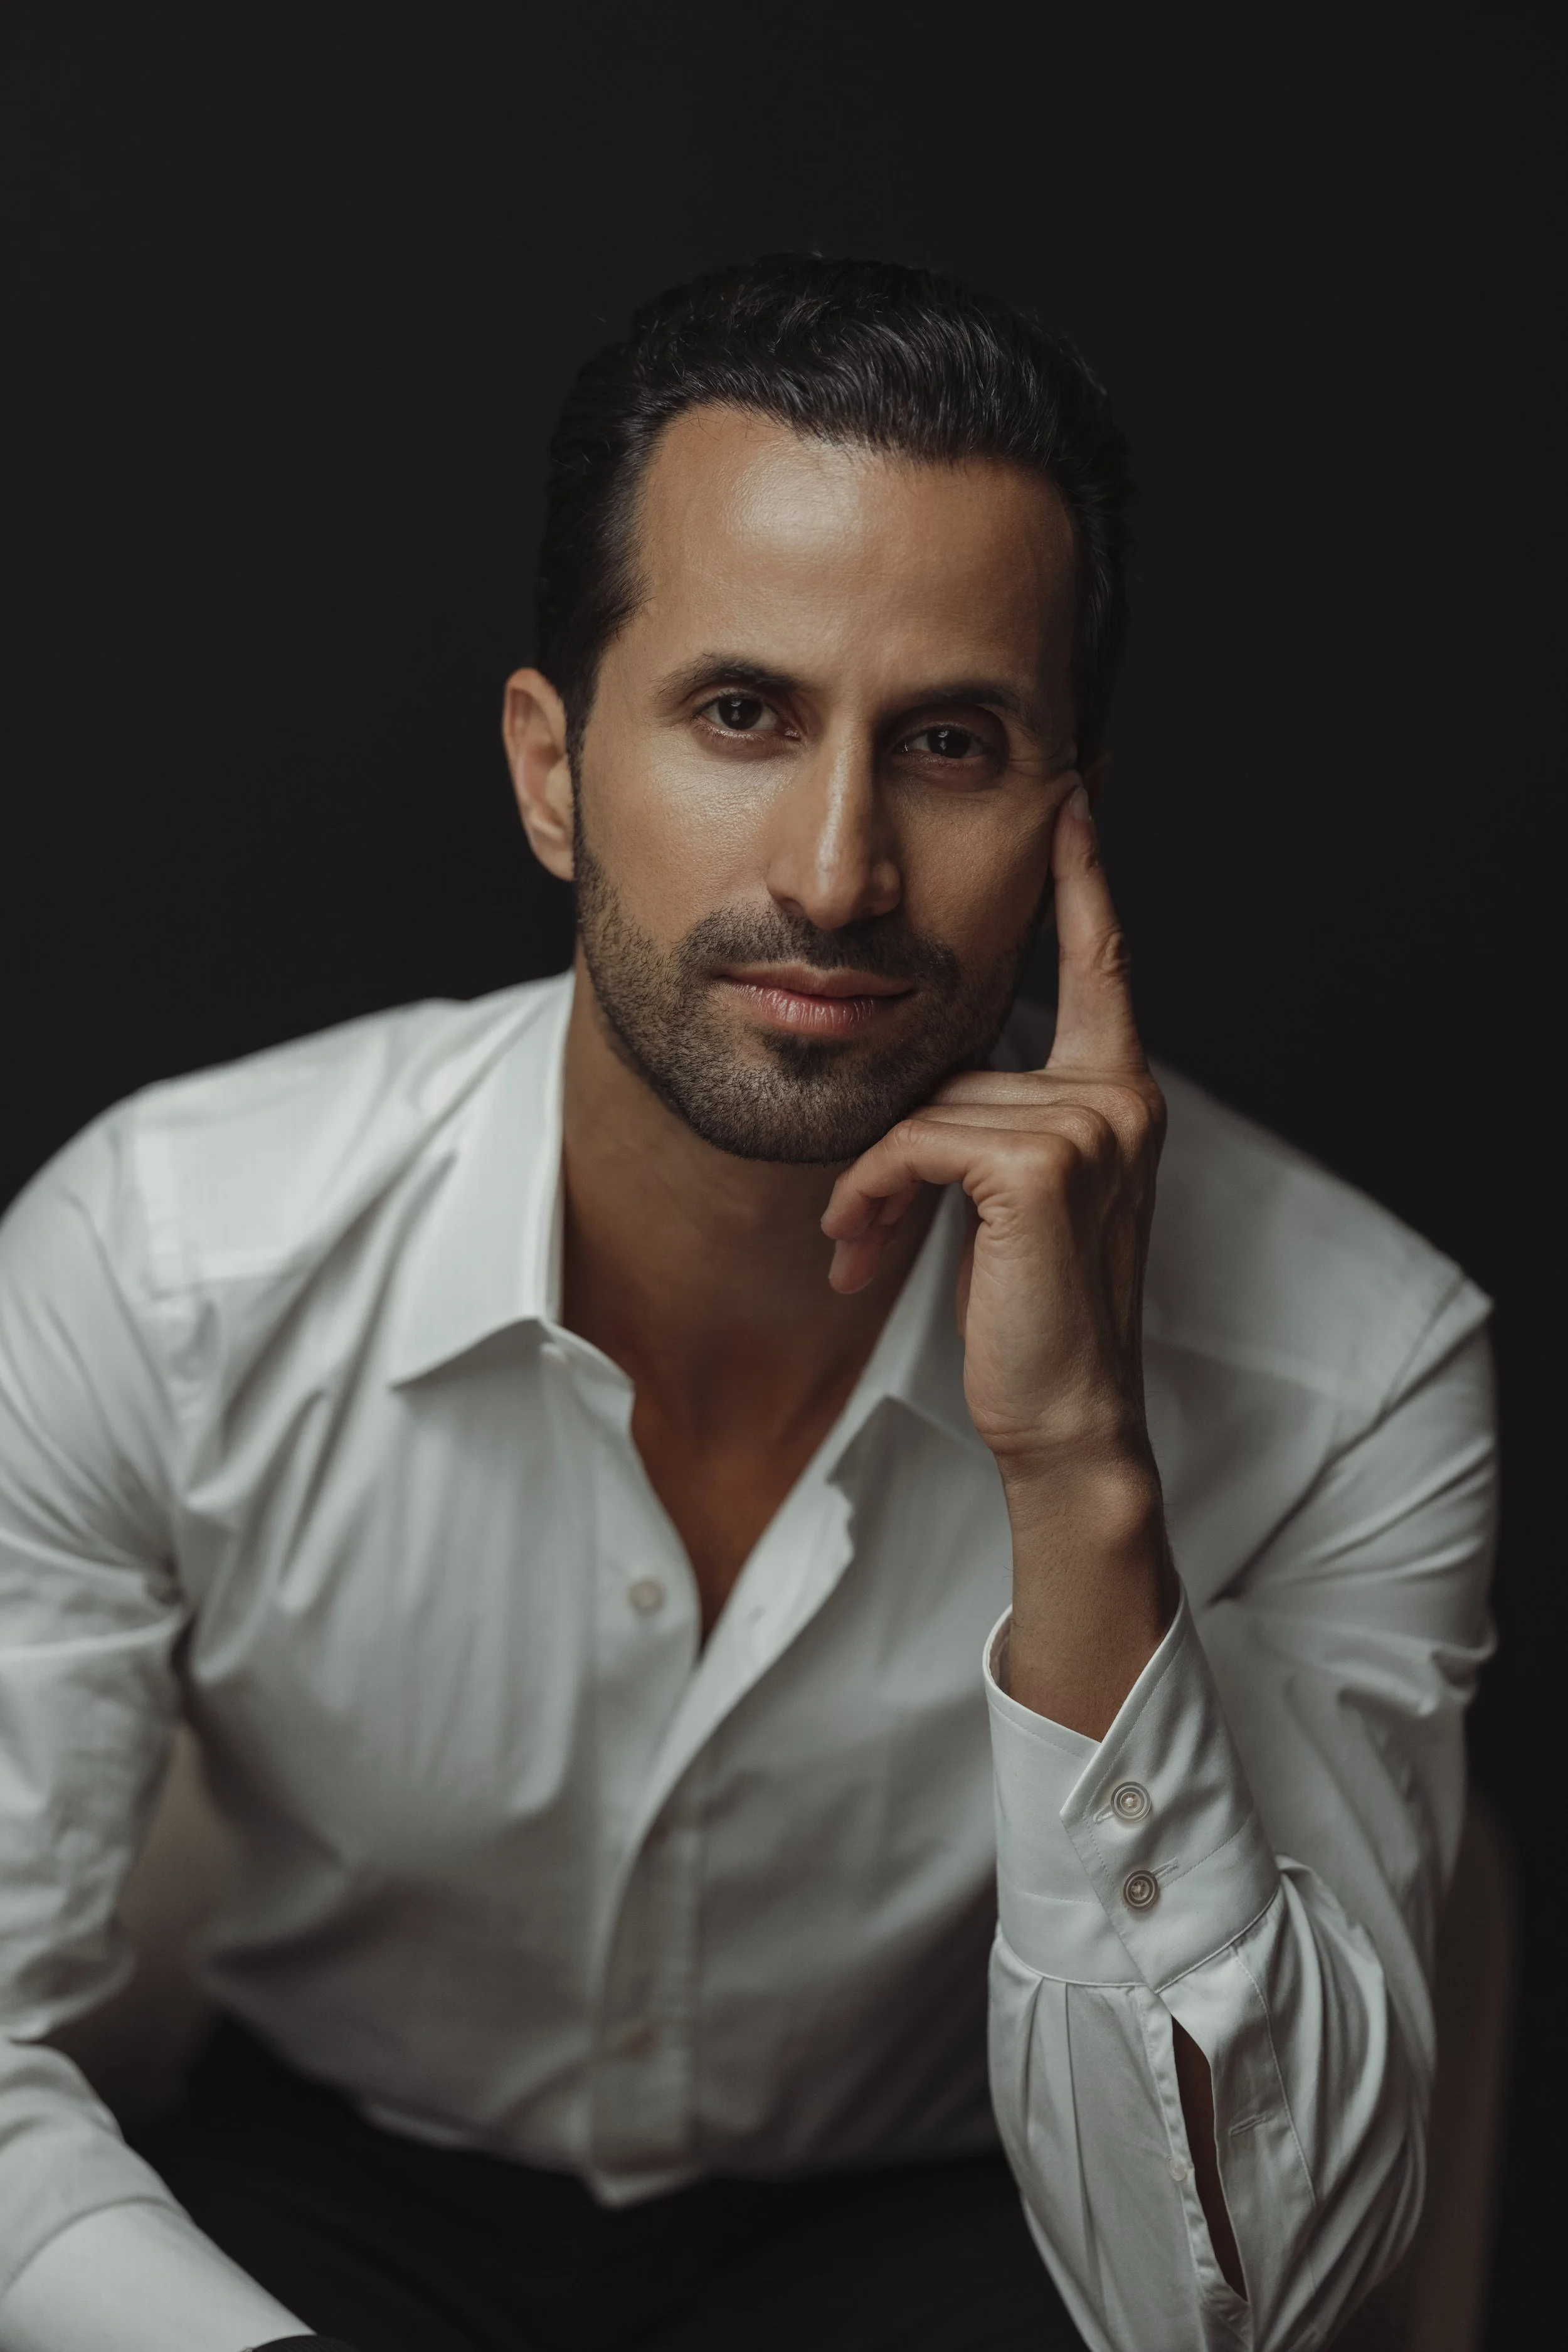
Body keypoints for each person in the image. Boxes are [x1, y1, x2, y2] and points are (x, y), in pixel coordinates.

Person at [0, 257, 1494, 2352]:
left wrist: (1080, 1475)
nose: (832, 865)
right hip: (327, 2215)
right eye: (740, 712)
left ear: (1068, 817)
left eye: (950, 742)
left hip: (950, 2225)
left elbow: (1239, 2309)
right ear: (550, 770)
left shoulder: (1348, 1366)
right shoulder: (162, 1260)